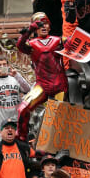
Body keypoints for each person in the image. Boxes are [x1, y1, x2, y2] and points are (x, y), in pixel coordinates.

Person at [16, 12, 68, 141]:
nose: (43, 26)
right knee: (22, 109)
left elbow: (73, 45)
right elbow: (20, 46)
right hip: (42, 85)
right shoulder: (32, 44)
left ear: (50, 26)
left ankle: (53, 147)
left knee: (56, 120)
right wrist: (29, 31)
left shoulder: (58, 40)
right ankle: (22, 139)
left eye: (45, 23)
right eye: (39, 24)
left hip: (59, 86)